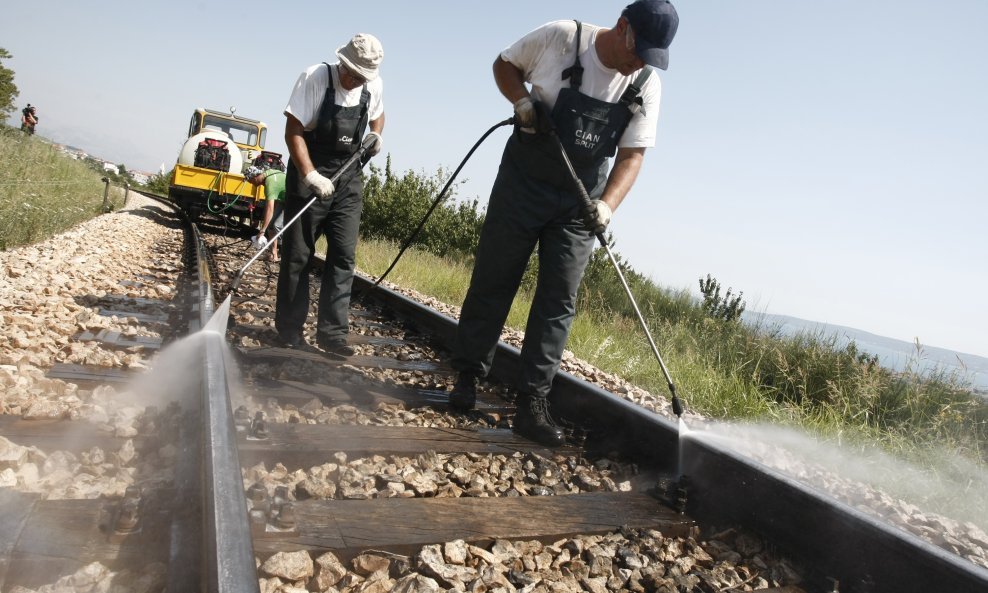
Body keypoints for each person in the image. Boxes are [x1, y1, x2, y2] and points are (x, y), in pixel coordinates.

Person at [448, 0, 679, 446]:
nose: (640, 62)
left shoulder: (646, 83)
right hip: (522, 185)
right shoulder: (561, 38)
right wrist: (522, 101)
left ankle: (532, 403)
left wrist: (607, 206)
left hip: (579, 205)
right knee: (494, 278)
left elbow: (632, 155)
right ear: (622, 26)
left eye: (651, 57)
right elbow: (504, 64)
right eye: (639, 50)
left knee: (558, 301)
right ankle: (467, 379)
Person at [276, 33, 385, 357]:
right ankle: (290, 330)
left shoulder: (373, 85)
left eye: (362, 77)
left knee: (342, 256)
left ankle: (333, 336)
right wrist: (310, 175)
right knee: (298, 255)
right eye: (351, 73)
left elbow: (379, 115)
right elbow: (293, 131)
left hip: (349, 178)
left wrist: (376, 136)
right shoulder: (314, 78)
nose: (354, 81)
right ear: (342, 62)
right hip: (310, 169)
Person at [245, 165, 287, 262]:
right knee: (271, 226)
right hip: (283, 200)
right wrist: (266, 226)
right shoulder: (270, 173)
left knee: (277, 225)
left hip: (293, 200)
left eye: (251, 181)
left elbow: (270, 209)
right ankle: (274, 255)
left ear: (255, 176)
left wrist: (262, 230)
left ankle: (286, 252)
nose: (252, 184)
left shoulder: (269, 183)